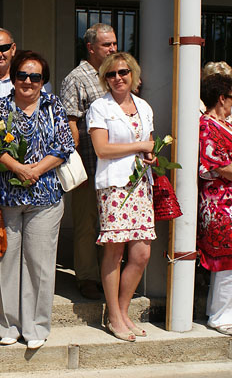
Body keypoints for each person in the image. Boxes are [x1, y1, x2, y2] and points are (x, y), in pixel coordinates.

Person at [0, 50, 74, 349]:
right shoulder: (0, 107)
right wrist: (19, 168)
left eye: (35, 77)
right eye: (22, 75)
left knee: (40, 264)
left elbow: (64, 145)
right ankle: (9, 326)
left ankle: (36, 327)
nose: (28, 81)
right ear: (14, 78)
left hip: (45, 197)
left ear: (43, 80)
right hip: (8, 197)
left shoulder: (53, 105)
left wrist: (35, 170)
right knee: (8, 263)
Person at [87, 52, 155, 342]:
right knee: (114, 252)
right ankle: (113, 315)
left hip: (141, 184)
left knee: (141, 254)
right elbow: (102, 149)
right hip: (114, 186)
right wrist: (141, 146)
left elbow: (148, 144)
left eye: (123, 72)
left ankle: (124, 311)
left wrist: (150, 154)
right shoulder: (99, 107)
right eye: (111, 74)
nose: (118, 78)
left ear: (133, 74)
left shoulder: (144, 106)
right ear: (105, 78)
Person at [60, 23, 118, 300]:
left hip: (116, 166)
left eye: (114, 43)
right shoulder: (77, 78)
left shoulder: (116, 74)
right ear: (91, 48)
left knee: (111, 223)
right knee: (86, 223)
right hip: (89, 163)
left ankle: (109, 275)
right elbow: (70, 122)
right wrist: (78, 166)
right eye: (107, 44)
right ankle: (87, 277)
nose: (113, 49)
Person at [197, 73, 232, 336]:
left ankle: (219, 311)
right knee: (226, 260)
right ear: (222, 98)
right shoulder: (207, 126)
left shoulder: (224, 125)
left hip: (226, 201)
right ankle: (221, 316)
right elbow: (218, 164)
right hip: (219, 203)